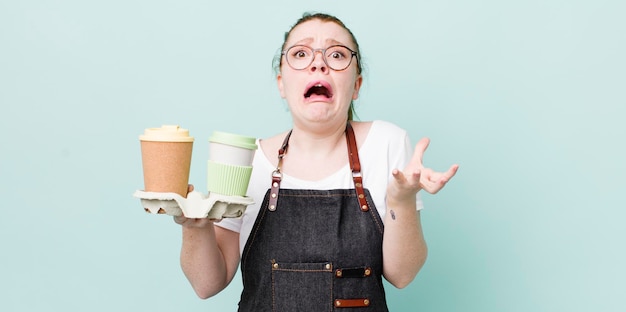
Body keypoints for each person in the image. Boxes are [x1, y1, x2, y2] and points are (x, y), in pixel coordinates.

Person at [174, 12, 459, 311]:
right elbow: (207, 284)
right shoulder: (249, 162)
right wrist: (195, 227)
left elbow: (402, 275)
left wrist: (401, 199)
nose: (318, 63)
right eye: (300, 53)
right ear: (282, 84)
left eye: (336, 54)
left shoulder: (386, 143)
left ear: (357, 85)